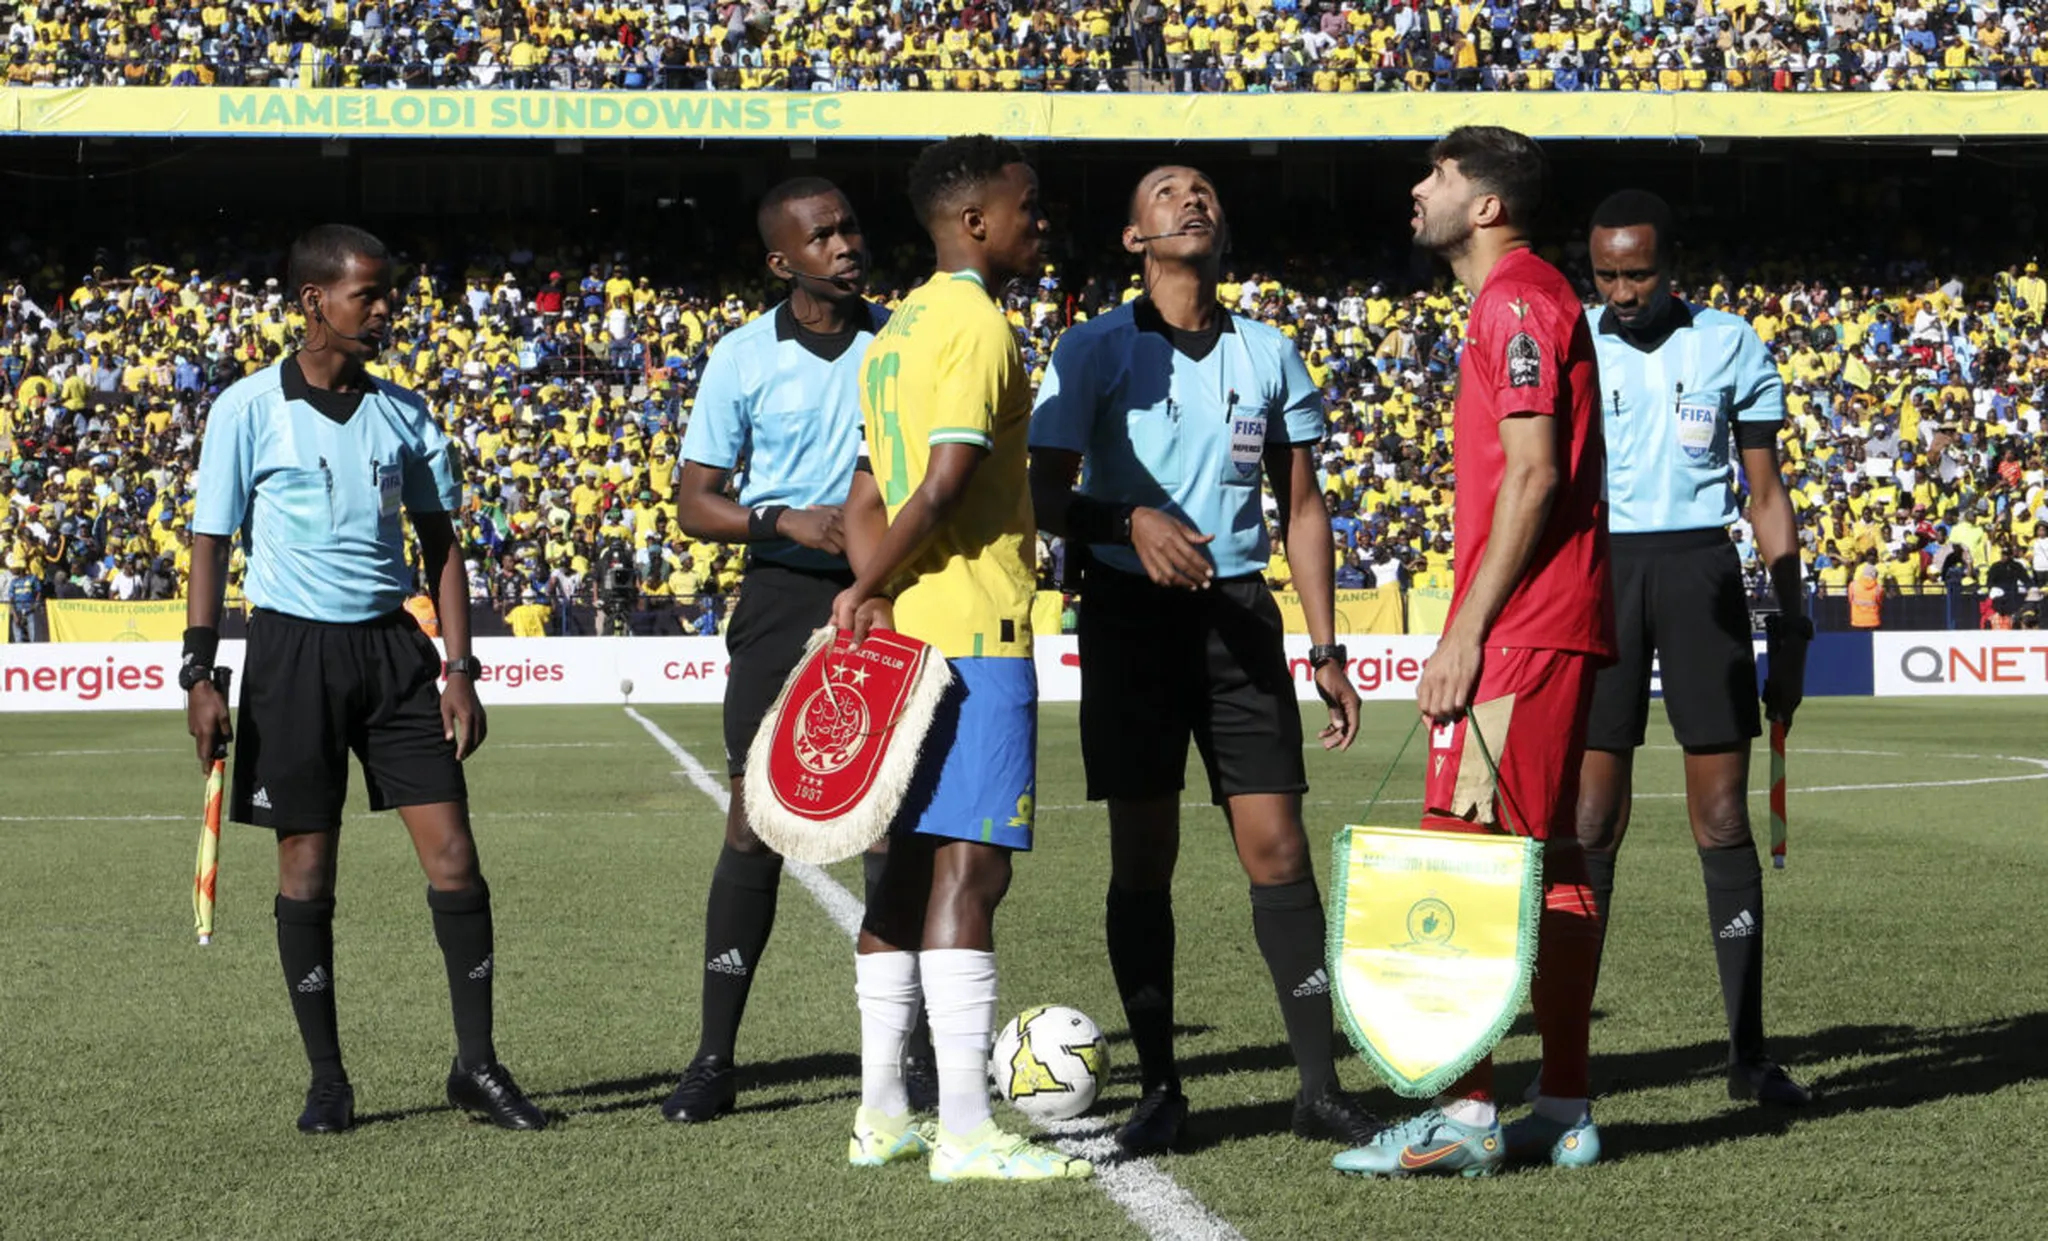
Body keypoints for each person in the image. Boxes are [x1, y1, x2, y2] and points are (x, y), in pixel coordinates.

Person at [1027, 164, 1376, 1155]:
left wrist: (1325, 646)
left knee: (1277, 847)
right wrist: (1124, 516)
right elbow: (1039, 492)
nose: (1192, 199)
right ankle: (1161, 1088)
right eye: (1165, 191)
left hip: (1237, 615)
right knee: (1143, 856)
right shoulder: (1091, 348)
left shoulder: (1269, 353)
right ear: (1134, 237)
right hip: (1129, 615)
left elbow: (1300, 507)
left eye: (1205, 191)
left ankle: (1317, 1085)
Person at [183, 224, 544, 1135]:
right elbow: (212, 542)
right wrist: (200, 670)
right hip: (291, 654)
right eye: (369, 296)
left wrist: (460, 667)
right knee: (307, 867)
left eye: (389, 295)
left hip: (394, 654)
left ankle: (477, 1064)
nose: (386, 310)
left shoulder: (406, 413)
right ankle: (329, 1078)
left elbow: (444, 544)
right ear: (314, 301)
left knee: (455, 855)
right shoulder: (245, 408)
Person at [1336, 126, 1614, 1177]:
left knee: (1467, 858)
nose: (1415, 188)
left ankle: (1465, 1114)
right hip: (1547, 622)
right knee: (1547, 864)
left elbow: (1535, 475)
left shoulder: (1515, 299)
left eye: (1437, 174)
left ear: (1486, 205)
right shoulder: (1519, 299)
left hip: (1521, 630)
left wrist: (1462, 633)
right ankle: (1566, 1103)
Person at [829, 134, 1088, 1182]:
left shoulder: (893, 335)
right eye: (1026, 204)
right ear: (974, 218)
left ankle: (881, 1114)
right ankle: (968, 1129)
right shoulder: (980, 325)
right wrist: (868, 587)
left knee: (900, 878)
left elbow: (863, 498)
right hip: (975, 631)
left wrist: (877, 589)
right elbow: (937, 488)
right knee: (970, 869)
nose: (1039, 220)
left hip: (906, 646)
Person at [662, 176, 933, 1124]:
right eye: (823, 236)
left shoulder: (902, 343)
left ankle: (920, 1050)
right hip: (782, 598)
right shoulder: (740, 358)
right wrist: (781, 519)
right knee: (755, 818)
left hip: (893, 595)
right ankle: (713, 1057)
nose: (847, 244)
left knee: (894, 819)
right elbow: (696, 501)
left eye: (852, 227)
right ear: (783, 261)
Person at [1571, 189, 1813, 1115]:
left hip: (1700, 574)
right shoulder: (1570, 340)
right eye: (1606, 274)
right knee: (1592, 824)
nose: (1623, 291)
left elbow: (1765, 492)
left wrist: (1790, 623)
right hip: (1599, 577)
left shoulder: (1731, 343)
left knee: (1721, 821)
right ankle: (1569, 1056)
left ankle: (1749, 1054)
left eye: (1639, 273)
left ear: (1672, 265)